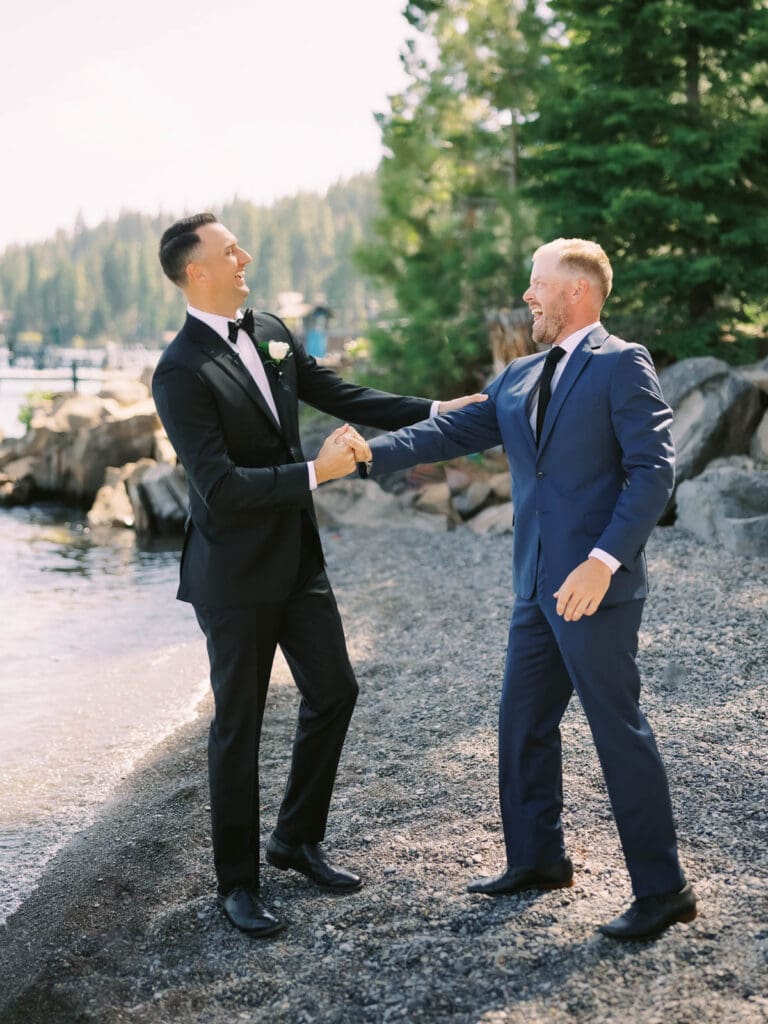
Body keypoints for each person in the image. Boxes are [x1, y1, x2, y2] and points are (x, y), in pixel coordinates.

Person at [152, 213, 484, 937]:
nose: (246, 256)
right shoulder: (177, 372)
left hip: (298, 560)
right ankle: (237, 884)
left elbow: (342, 394)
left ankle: (295, 839)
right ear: (194, 272)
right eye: (228, 250)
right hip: (233, 576)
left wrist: (434, 410)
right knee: (237, 728)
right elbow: (220, 488)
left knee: (334, 690)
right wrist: (317, 472)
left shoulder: (269, 329)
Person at [361, 238, 696, 941]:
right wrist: (364, 455)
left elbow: (653, 473)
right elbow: (448, 431)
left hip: (594, 587)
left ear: (576, 291)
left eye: (536, 284)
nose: (527, 296)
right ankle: (539, 860)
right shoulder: (517, 376)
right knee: (522, 725)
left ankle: (664, 891)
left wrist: (603, 560)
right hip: (534, 585)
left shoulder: (621, 364)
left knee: (617, 731)